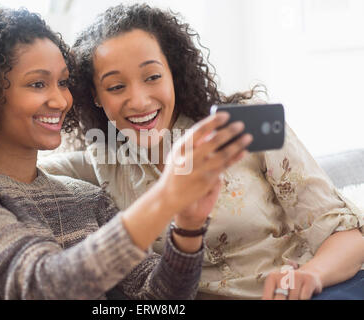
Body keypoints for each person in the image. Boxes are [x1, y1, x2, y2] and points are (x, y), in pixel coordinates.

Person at [0, 7, 252, 300]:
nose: (60, 101)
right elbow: (43, 286)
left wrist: (188, 227)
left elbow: (157, 298)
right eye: (37, 84)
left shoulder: (85, 198)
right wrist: (166, 196)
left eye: (63, 83)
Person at [36, 4, 364, 300]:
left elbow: (346, 234)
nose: (138, 101)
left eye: (152, 77)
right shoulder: (104, 159)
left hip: (316, 289)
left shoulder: (243, 126)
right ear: (95, 96)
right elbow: (12, 170)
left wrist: (309, 276)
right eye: (116, 87)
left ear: (173, 76)